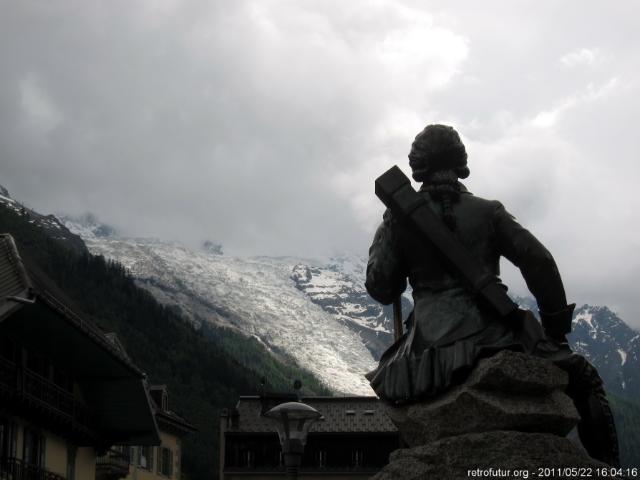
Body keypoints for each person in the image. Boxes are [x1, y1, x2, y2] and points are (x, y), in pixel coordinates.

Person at [365, 124, 618, 465]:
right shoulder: (488, 212)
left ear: (418, 164)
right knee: (584, 378)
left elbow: (381, 288)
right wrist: (555, 329)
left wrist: (389, 232)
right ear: (460, 161)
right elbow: (539, 261)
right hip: (494, 334)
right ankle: (608, 468)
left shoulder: (398, 218)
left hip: (425, 349)